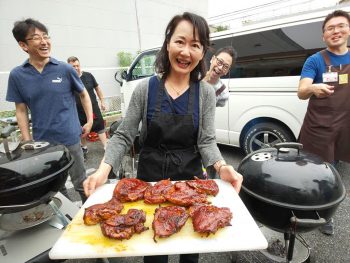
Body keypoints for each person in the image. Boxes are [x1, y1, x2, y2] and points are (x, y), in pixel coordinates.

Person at [83, 12, 243, 263]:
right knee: (155, 252)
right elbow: (124, 134)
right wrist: (104, 170)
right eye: (180, 41)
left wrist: (222, 167)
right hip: (148, 183)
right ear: (168, 43)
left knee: (191, 249)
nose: (186, 52)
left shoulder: (205, 94)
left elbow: (207, 141)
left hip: (190, 184)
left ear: (203, 53)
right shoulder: (145, 89)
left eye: (195, 45)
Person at [6, 18, 93, 203]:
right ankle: (68, 219)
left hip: (70, 137)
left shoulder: (64, 68)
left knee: (80, 181)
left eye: (46, 36)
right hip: (43, 144)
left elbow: (84, 94)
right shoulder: (17, 75)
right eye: (36, 38)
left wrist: (90, 120)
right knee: (55, 186)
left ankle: (89, 212)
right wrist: (27, 140)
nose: (44, 42)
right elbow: (20, 110)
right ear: (23, 45)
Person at [297, 10, 350, 236]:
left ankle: (325, 215)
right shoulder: (316, 60)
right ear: (323, 35)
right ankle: (310, 212)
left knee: (333, 174)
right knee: (314, 173)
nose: (336, 31)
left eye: (341, 26)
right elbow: (301, 91)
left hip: (345, 125)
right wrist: (312, 88)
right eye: (330, 28)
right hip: (319, 128)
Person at [204, 46, 236, 179]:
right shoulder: (194, 76)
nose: (220, 67)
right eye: (219, 62)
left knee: (210, 172)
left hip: (205, 132)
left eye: (226, 66)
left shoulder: (223, 92)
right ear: (212, 59)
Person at [67, 56, 108, 158]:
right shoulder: (68, 80)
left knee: (100, 127)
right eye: (73, 66)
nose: (76, 68)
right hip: (77, 111)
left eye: (77, 65)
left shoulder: (88, 76)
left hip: (93, 108)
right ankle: (84, 148)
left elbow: (98, 89)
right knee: (81, 130)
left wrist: (102, 101)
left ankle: (106, 147)